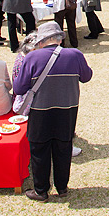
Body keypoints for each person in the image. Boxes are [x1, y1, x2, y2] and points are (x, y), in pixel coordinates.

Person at [13, 22, 93, 202]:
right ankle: (62, 187)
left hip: (40, 109)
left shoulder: (32, 58)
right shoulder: (75, 55)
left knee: (39, 148)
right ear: (58, 39)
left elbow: (19, 88)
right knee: (63, 146)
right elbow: (86, 77)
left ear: (41, 41)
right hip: (68, 108)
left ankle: (41, 190)